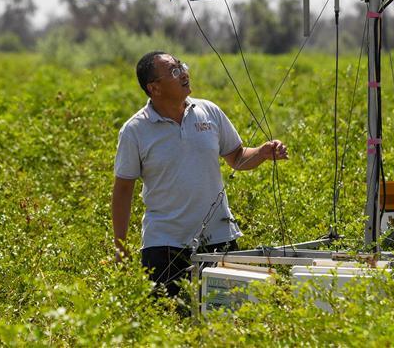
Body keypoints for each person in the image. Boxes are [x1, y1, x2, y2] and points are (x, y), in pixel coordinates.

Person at [111, 51, 288, 298]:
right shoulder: (135, 130)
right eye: (173, 71)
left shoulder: (209, 111)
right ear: (154, 88)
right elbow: (123, 190)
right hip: (165, 244)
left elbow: (236, 157)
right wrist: (120, 246)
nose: (184, 73)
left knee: (227, 319)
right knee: (167, 318)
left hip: (219, 237)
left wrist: (262, 152)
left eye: (181, 66)